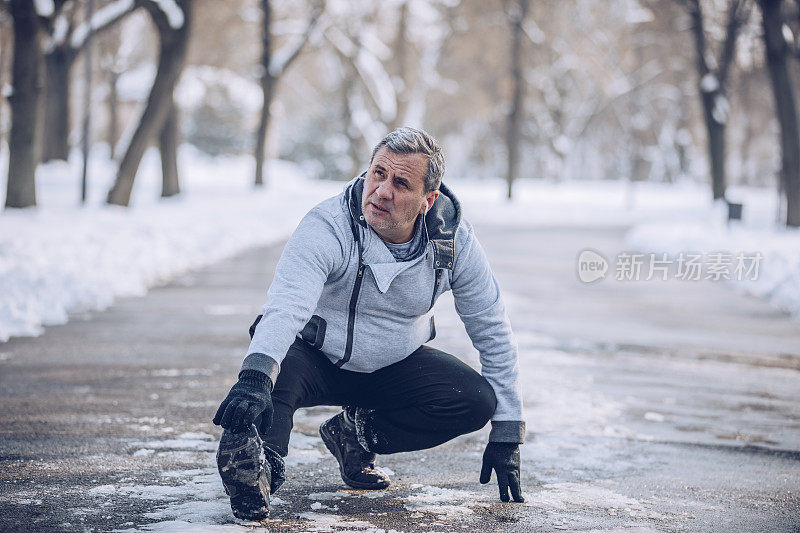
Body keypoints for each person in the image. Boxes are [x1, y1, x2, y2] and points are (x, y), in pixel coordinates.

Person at [213, 127, 525, 520]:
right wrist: (254, 377)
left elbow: (491, 327)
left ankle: (354, 432)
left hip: (392, 367)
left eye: (400, 182)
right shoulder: (328, 225)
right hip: (313, 359)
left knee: (474, 399)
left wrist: (508, 429)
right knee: (270, 382)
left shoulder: (453, 243)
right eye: (378, 173)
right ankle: (257, 467)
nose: (381, 191)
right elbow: (286, 305)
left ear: (428, 200)